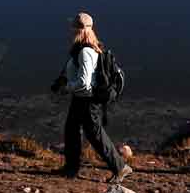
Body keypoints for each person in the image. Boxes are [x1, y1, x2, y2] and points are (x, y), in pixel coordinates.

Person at [51, 12, 131, 182]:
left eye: (73, 27)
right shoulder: (84, 48)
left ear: (78, 30)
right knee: (71, 130)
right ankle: (71, 168)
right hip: (80, 98)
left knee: (95, 134)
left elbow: (84, 83)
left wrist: (67, 88)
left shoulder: (86, 51)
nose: (70, 30)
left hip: (88, 99)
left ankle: (120, 167)